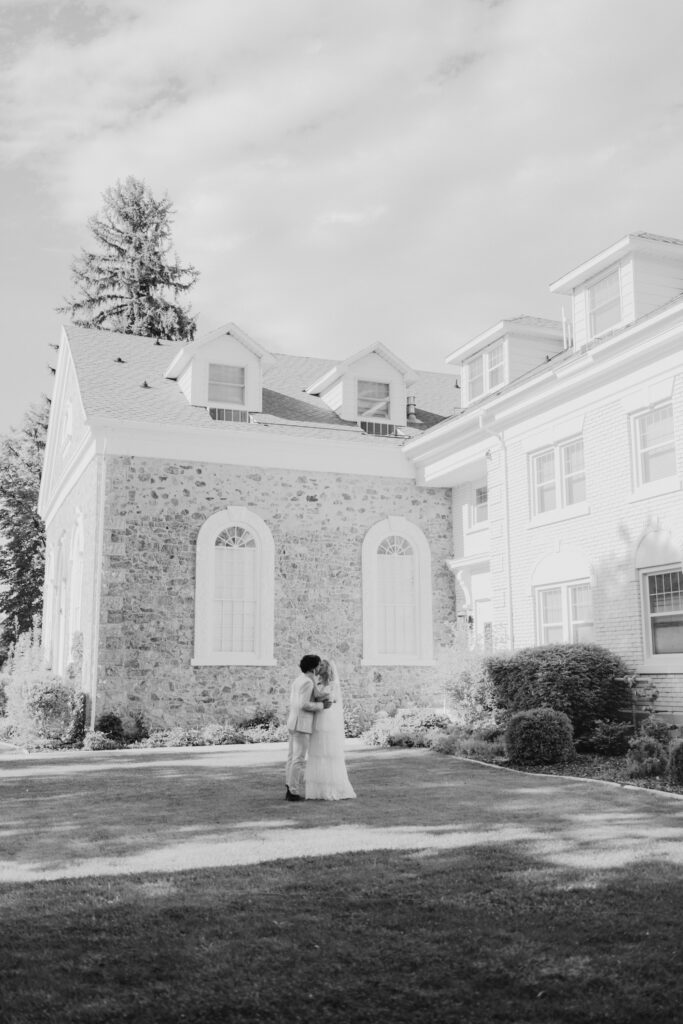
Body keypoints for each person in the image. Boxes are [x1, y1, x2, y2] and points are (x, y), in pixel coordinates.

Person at [305, 658, 356, 801]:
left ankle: (332, 789)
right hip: (318, 718)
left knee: (329, 753)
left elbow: (331, 699)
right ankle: (318, 791)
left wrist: (321, 698)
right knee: (318, 752)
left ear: (326, 668)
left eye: (321, 665)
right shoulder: (316, 682)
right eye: (318, 664)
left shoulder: (333, 684)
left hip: (327, 719)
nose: (318, 667)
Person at [285, 653, 330, 802]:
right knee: (298, 759)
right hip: (301, 724)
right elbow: (303, 704)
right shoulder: (308, 682)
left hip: (293, 722)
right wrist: (322, 705)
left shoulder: (299, 679)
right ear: (313, 667)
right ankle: (293, 791)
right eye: (318, 665)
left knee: (292, 758)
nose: (319, 668)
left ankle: (289, 787)